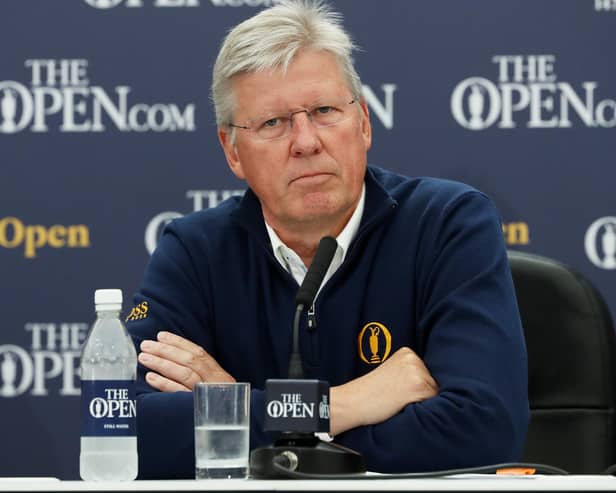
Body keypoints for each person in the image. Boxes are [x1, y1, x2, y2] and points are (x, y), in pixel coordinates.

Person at [127, 0, 529, 479]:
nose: (306, 141)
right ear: (232, 150)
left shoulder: (447, 223)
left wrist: (236, 412)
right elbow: (124, 431)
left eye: (323, 111)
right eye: (272, 123)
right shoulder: (195, 250)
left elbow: (484, 429)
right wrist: (341, 404)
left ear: (363, 123)